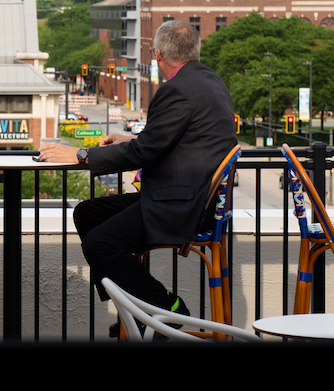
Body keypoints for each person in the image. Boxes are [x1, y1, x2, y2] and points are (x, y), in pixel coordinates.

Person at [39, 20, 236, 327]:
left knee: (99, 244)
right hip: (193, 198)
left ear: (157, 55)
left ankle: (166, 308)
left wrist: (81, 154)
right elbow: (170, 141)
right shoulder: (210, 80)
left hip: (183, 207)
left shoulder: (177, 90)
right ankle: (132, 307)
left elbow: (145, 153)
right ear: (195, 51)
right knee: (88, 214)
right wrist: (132, 139)